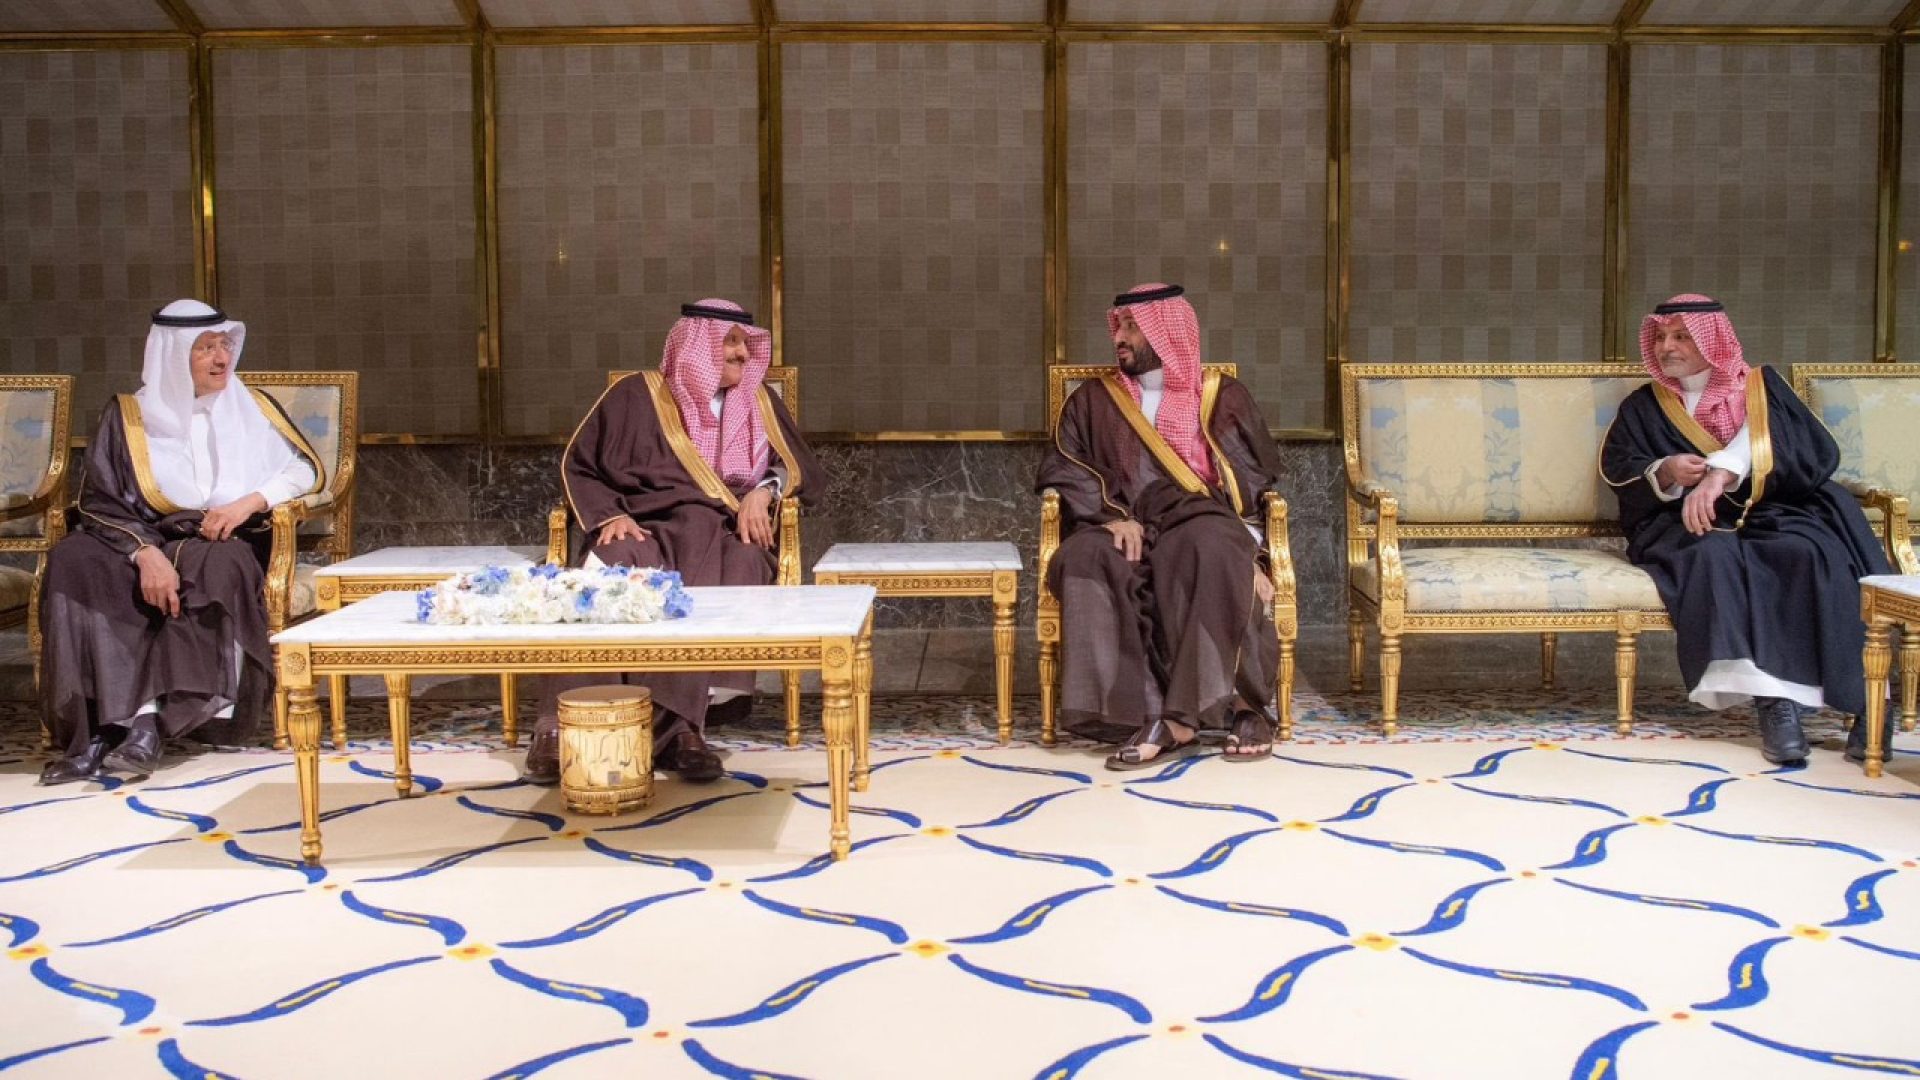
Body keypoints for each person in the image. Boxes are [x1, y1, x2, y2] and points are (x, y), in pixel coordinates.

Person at [526, 300, 821, 785]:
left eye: (745, 344)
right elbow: (580, 464)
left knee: (740, 563)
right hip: (640, 524)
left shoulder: (761, 403)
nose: (742, 354)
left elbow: (800, 466)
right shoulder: (635, 394)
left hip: (722, 527)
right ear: (696, 346)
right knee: (606, 574)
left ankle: (682, 728)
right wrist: (609, 514)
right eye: (729, 342)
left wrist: (764, 491)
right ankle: (557, 726)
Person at [38, 300, 323, 784]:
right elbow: (102, 499)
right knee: (74, 559)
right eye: (205, 349)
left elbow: (303, 470)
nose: (221, 358)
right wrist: (144, 552)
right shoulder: (128, 416)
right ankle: (100, 728)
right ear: (172, 357)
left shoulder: (253, 406)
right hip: (140, 530)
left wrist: (249, 502)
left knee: (214, 567)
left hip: (221, 533)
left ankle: (149, 724)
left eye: (224, 345)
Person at [1600, 294, 1893, 766]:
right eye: (1661, 337)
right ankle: (1775, 706)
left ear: (1714, 340)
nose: (1667, 347)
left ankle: (1869, 703)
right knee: (1712, 556)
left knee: (1805, 554)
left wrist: (1723, 472)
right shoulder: (1644, 406)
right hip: (1685, 520)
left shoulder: (1760, 388)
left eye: (1681, 337)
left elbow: (1798, 448)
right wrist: (1667, 470)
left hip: (1777, 508)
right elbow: (1621, 466)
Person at [1036, 283, 1285, 770]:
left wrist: (1249, 556)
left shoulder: (1220, 396)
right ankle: (1139, 712)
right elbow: (1064, 465)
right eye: (1119, 327)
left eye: (1132, 327)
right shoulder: (1093, 400)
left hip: (1199, 519)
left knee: (1210, 549)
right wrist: (1111, 517)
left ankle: (1217, 712)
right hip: (1125, 521)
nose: (1119, 338)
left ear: (1165, 332)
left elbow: (1252, 484)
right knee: (1086, 557)